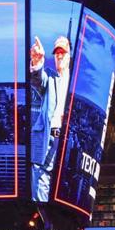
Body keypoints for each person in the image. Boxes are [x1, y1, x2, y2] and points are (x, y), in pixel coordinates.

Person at [28, 35, 71, 202]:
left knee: (63, 178)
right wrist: (37, 61)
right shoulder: (50, 77)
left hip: (65, 138)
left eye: (63, 52)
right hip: (48, 135)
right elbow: (38, 80)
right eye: (56, 53)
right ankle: (41, 213)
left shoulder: (74, 81)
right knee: (40, 174)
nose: (59, 56)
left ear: (69, 55)